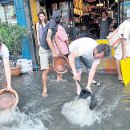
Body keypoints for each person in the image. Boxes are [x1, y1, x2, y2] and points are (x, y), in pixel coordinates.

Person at [36, 10, 62, 97]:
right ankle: (44, 89)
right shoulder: (52, 23)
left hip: (50, 48)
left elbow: (55, 39)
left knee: (57, 62)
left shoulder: (56, 25)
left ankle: (59, 78)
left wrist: (60, 51)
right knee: (46, 70)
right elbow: (48, 39)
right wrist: (54, 51)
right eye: (60, 17)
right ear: (58, 17)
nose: (61, 18)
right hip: (43, 49)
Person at [107, 19, 130, 83]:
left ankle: (126, 74)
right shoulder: (128, 25)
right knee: (119, 57)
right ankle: (120, 75)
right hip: (119, 41)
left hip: (125, 40)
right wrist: (124, 54)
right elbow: (123, 41)